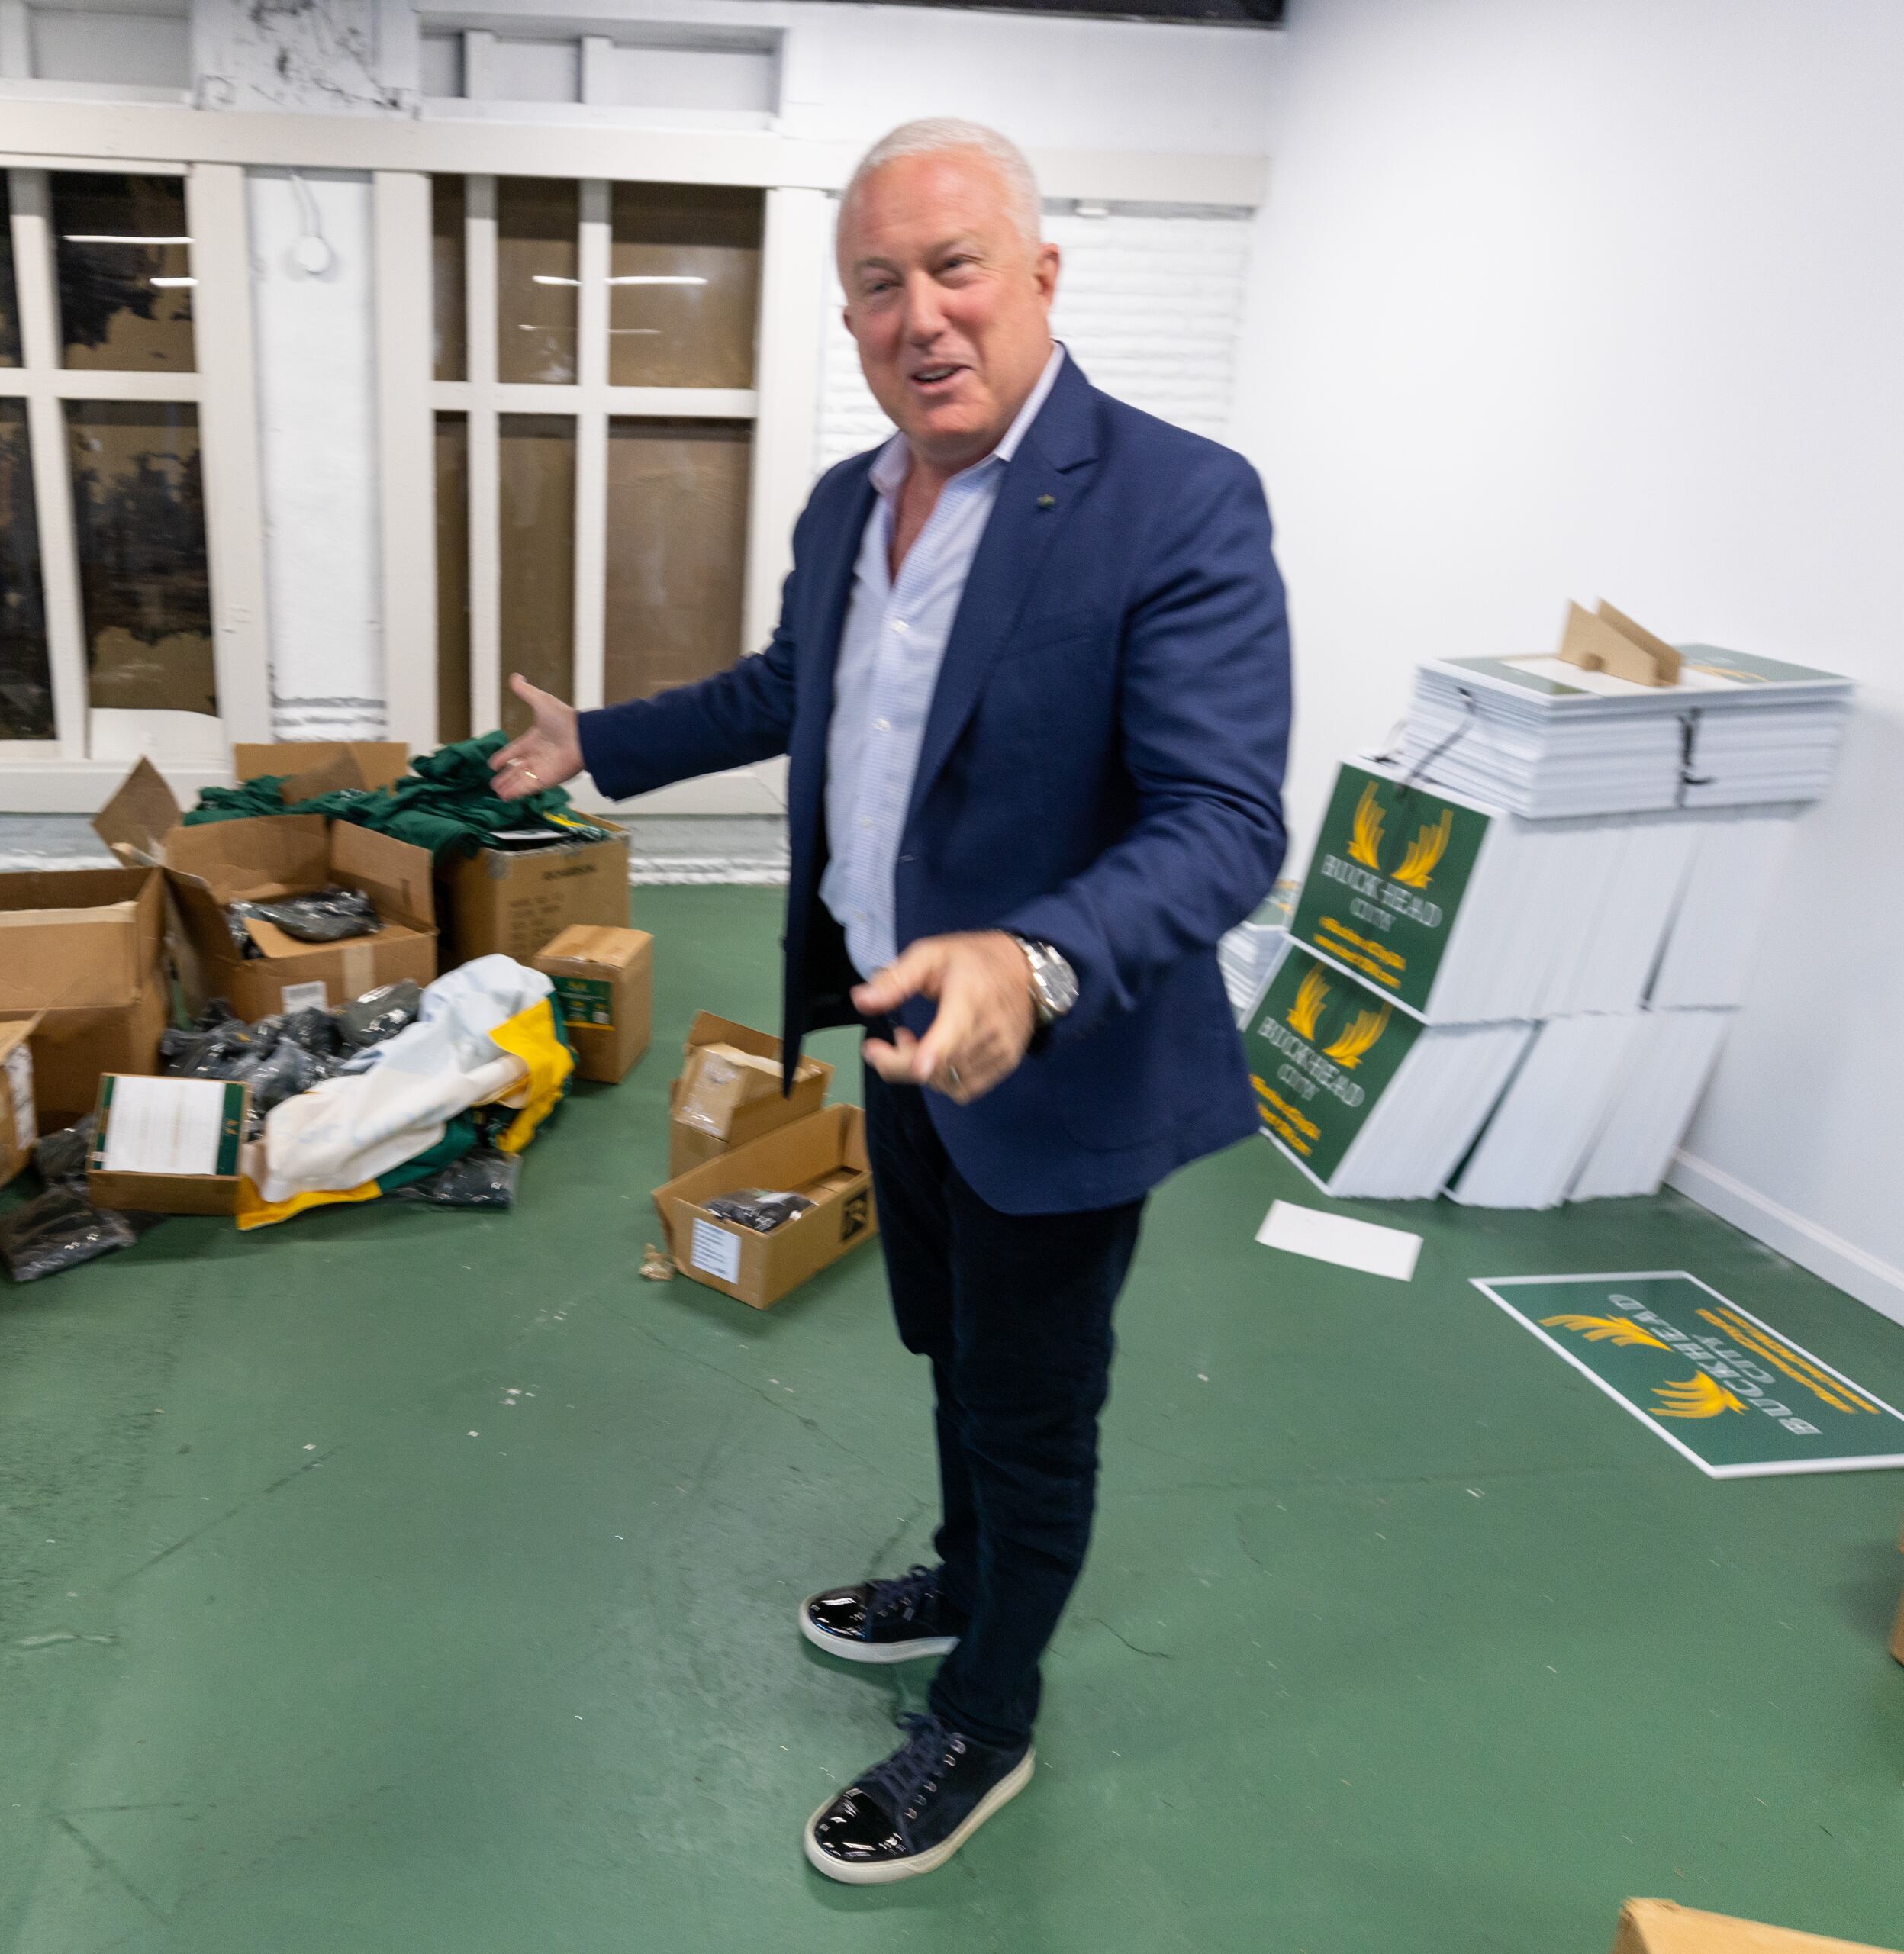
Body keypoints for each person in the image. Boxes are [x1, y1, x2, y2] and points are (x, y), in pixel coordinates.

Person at [493, 117, 1290, 1883]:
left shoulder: (1178, 500)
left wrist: (1035, 956)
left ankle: (988, 1718)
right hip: (898, 1029)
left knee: (1033, 1396)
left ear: (1039, 278)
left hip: (1053, 1058)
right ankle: (966, 1567)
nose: (922, 315)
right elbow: (802, 686)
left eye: (956, 269)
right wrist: (600, 745)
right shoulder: (852, 501)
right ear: (847, 317)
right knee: (947, 1343)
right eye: (878, 284)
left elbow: (1228, 821)